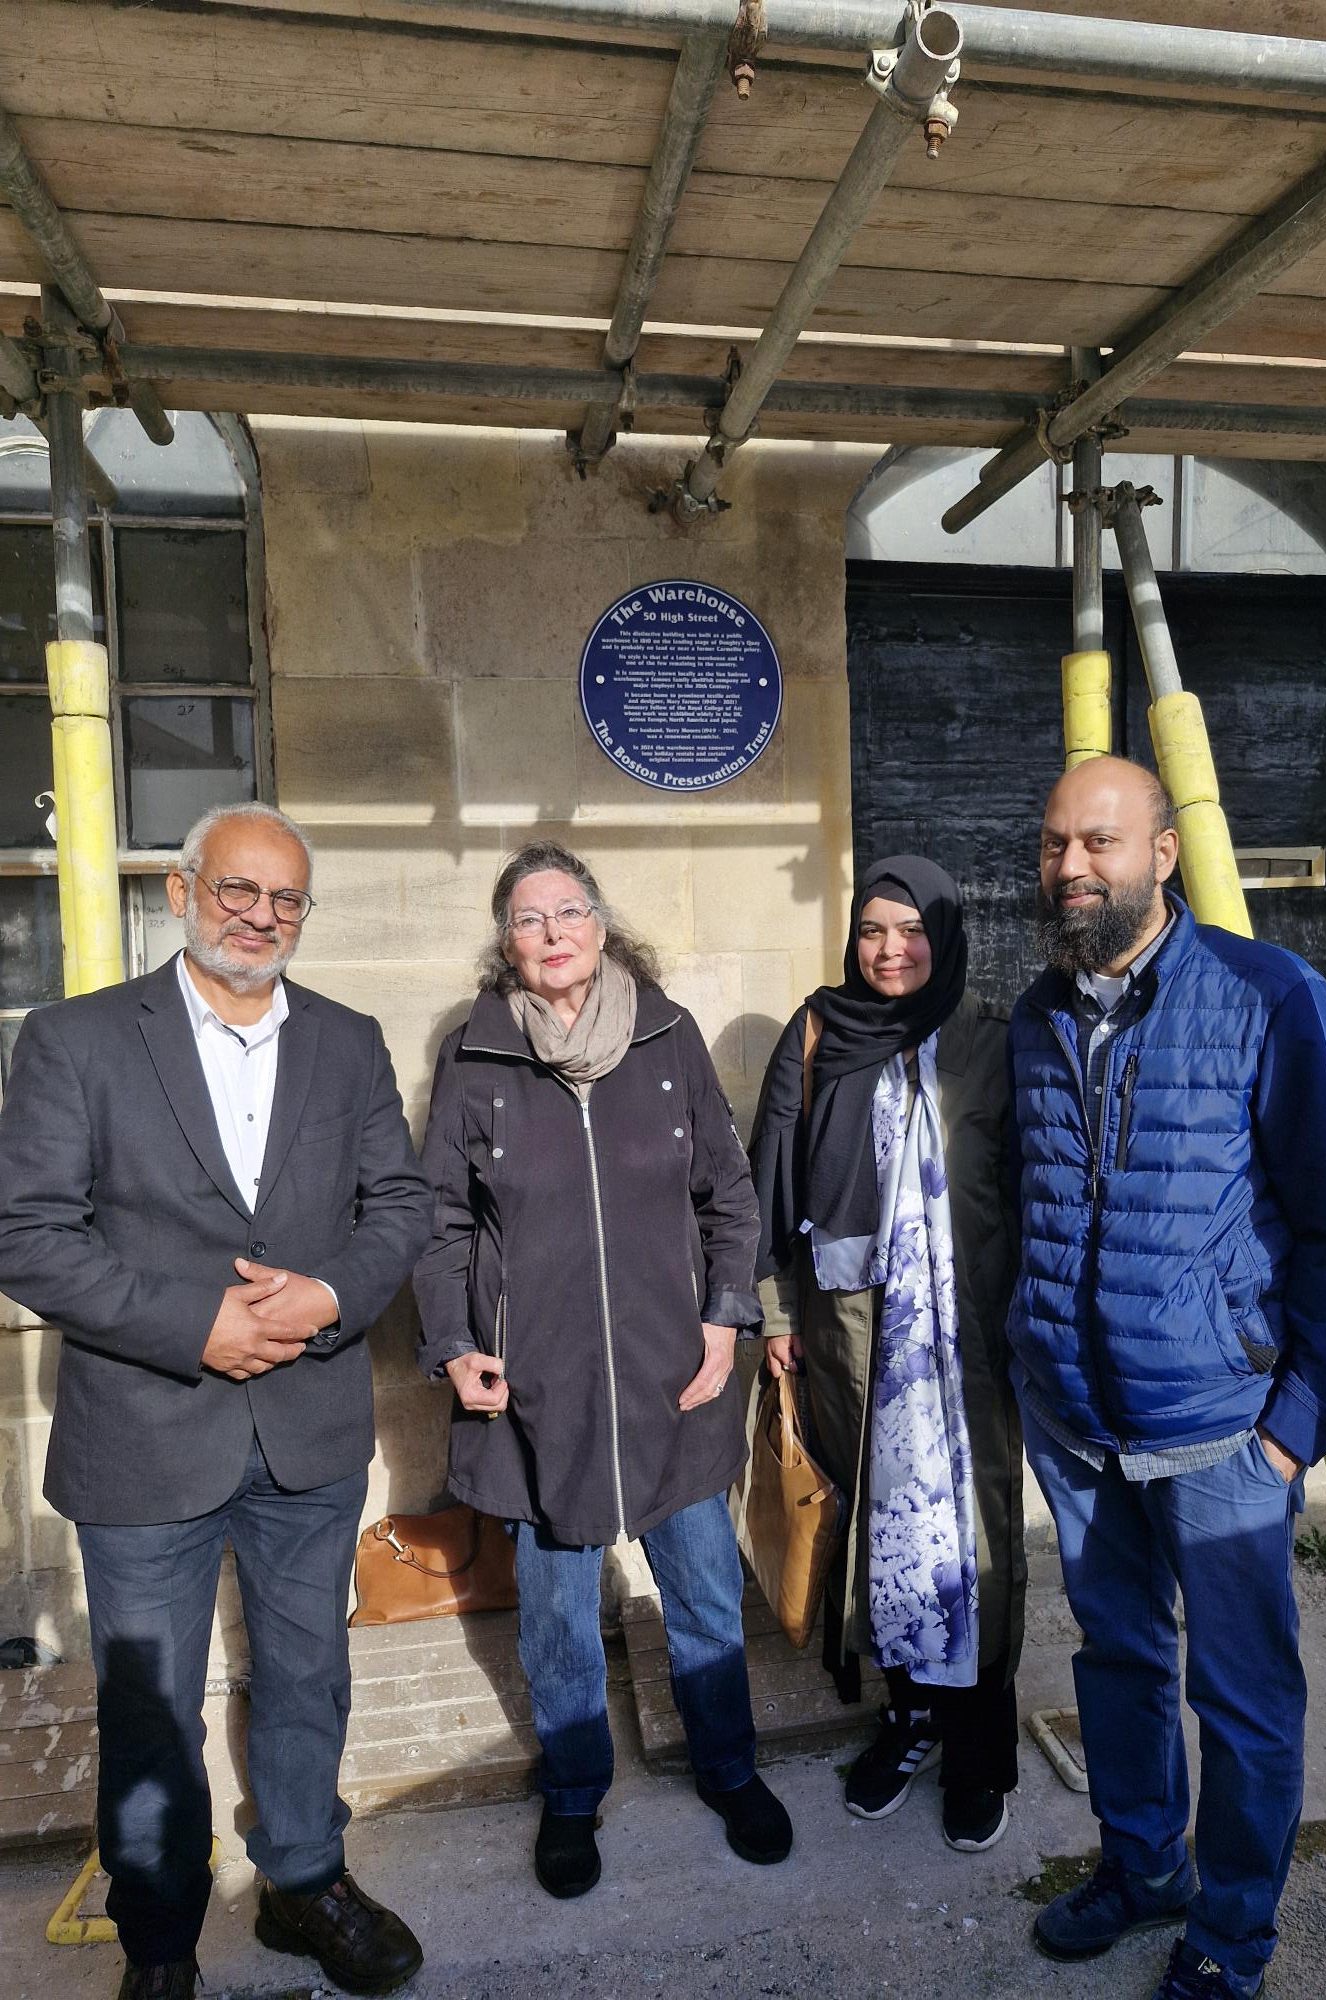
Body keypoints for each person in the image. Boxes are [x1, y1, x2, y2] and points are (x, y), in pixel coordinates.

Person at [0, 803, 433, 2000]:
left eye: (286, 898)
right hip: (144, 1435)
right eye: (238, 889)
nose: (261, 915)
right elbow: (28, 1232)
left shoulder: (347, 1041)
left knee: (307, 1672)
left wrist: (330, 1293)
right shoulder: (77, 1038)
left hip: (308, 1431)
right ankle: (158, 1941)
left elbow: (399, 1206)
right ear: (185, 891)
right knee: (149, 1705)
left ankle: (304, 1879)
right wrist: (197, 1324)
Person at [1008, 756, 1326, 2000]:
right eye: (1057, 842)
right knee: (1116, 1659)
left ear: (1163, 853)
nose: (1074, 865)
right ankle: (1141, 1864)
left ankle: (1230, 1931)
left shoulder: (1271, 995)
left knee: (1242, 1698)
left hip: (1226, 1428)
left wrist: (1297, 1427)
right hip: (1077, 1426)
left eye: (1101, 841)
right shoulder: (1036, 1011)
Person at [412, 839, 792, 1901]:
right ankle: (575, 1788)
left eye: (568, 910)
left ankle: (729, 1765)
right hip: (539, 1389)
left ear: (601, 920)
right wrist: (452, 1343)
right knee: (556, 1614)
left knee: (708, 1593)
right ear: (505, 942)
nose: (552, 933)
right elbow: (439, 1220)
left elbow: (730, 1193)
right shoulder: (475, 1053)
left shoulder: (666, 1034)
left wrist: (728, 1318)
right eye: (529, 918)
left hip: (674, 1374)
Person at [749, 855, 1024, 1852]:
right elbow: (768, 1191)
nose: (891, 948)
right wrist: (776, 1316)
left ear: (945, 933)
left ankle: (976, 1743)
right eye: (872, 928)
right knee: (883, 1530)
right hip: (856, 1338)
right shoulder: (819, 1034)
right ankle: (907, 1715)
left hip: (974, 1350)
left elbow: (1037, 1192)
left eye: (912, 928)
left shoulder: (995, 1041)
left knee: (977, 1544)